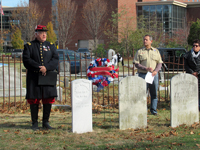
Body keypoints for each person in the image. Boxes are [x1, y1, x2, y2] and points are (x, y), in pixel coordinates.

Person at [23, 25, 58, 130]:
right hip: (34, 77)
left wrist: (46, 68)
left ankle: (45, 122)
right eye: (42, 33)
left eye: (45, 33)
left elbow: (55, 59)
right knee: (34, 99)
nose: (44, 35)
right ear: (36, 34)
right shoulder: (29, 46)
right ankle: (34, 123)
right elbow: (27, 60)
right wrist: (39, 68)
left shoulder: (51, 45)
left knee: (48, 98)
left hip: (47, 76)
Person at [133, 35, 163, 115]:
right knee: (142, 93)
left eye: (146, 40)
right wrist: (145, 68)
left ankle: (153, 110)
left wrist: (156, 71)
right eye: (144, 40)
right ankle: (143, 110)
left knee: (154, 94)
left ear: (151, 41)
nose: (144, 41)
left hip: (153, 75)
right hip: (143, 75)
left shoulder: (156, 51)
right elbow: (136, 64)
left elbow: (160, 63)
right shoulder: (139, 51)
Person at [184, 39, 200, 110]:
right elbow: (186, 65)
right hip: (190, 75)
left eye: (196, 46)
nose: (195, 47)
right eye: (193, 46)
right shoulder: (187, 55)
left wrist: (198, 72)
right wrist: (192, 72)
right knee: (191, 91)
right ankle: (192, 106)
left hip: (199, 75)